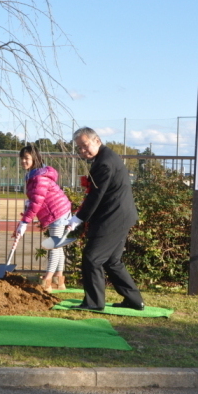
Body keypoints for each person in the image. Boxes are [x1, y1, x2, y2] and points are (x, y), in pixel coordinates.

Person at [67, 127, 145, 311]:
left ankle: (94, 303)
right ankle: (134, 300)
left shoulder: (104, 163)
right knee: (112, 261)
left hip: (113, 217)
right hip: (120, 215)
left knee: (92, 258)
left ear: (97, 140)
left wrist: (78, 218)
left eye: (85, 145)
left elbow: (96, 195)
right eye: (79, 148)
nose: (82, 150)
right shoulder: (106, 157)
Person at [13, 144, 72, 291]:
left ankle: (47, 281)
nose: (23, 161)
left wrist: (25, 221)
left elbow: (37, 201)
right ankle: (59, 280)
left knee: (54, 246)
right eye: (22, 158)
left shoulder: (39, 177)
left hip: (56, 212)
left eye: (26, 158)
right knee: (58, 246)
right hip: (58, 210)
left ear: (35, 158)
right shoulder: (34, 175)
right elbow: (36, 198)